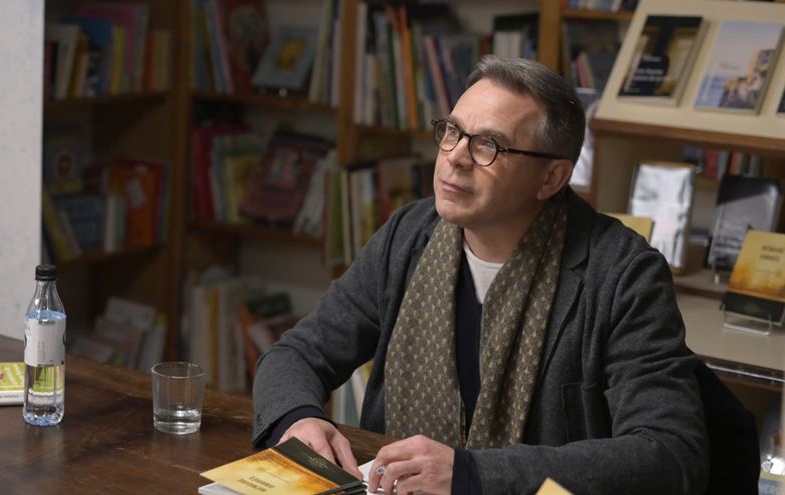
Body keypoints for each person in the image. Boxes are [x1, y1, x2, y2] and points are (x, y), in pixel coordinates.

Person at [252, 56, 710, 495]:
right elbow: (297, 354)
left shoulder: (622, 274)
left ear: (551, 178)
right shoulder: (409, 235)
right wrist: (298, 418)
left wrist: (474, 476)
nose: (455, 157)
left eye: (488, 145)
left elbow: (669, 454)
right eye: (452, 131)